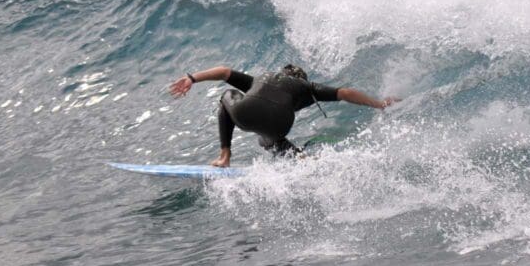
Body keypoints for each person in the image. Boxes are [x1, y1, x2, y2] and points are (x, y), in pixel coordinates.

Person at [169, 65, 396, 167]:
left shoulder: (261, 78)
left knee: (227, 95)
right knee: (269, 139)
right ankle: (301, 161)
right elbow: (345, 92)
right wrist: (379, 104)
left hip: (245, 113)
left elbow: (224, 71)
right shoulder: (307, 87)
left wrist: (192, 78)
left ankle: (224, 156)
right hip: (281, 123)